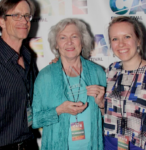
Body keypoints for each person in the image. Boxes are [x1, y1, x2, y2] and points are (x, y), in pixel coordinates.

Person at [32, 18, 106, 150]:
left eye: (74, 36)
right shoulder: (45, 76)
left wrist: (102, 104)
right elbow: (34, 120)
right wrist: (60, 110)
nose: (69, 42)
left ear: (82, 42)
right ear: (56, 44)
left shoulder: (97, 72)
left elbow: (109, 117)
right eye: (63, 38)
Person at [0, 0, 38, 149]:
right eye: (17, 15)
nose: (24, 21)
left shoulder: (28, 58)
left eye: (27, 16)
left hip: (29, 143)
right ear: (2, 20)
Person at [104, 16, 146, 150]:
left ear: (138, 40)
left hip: (139, 145)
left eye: (127, 37)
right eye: (115, 39)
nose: (121, 44)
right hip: (110, 143)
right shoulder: (111, 70)